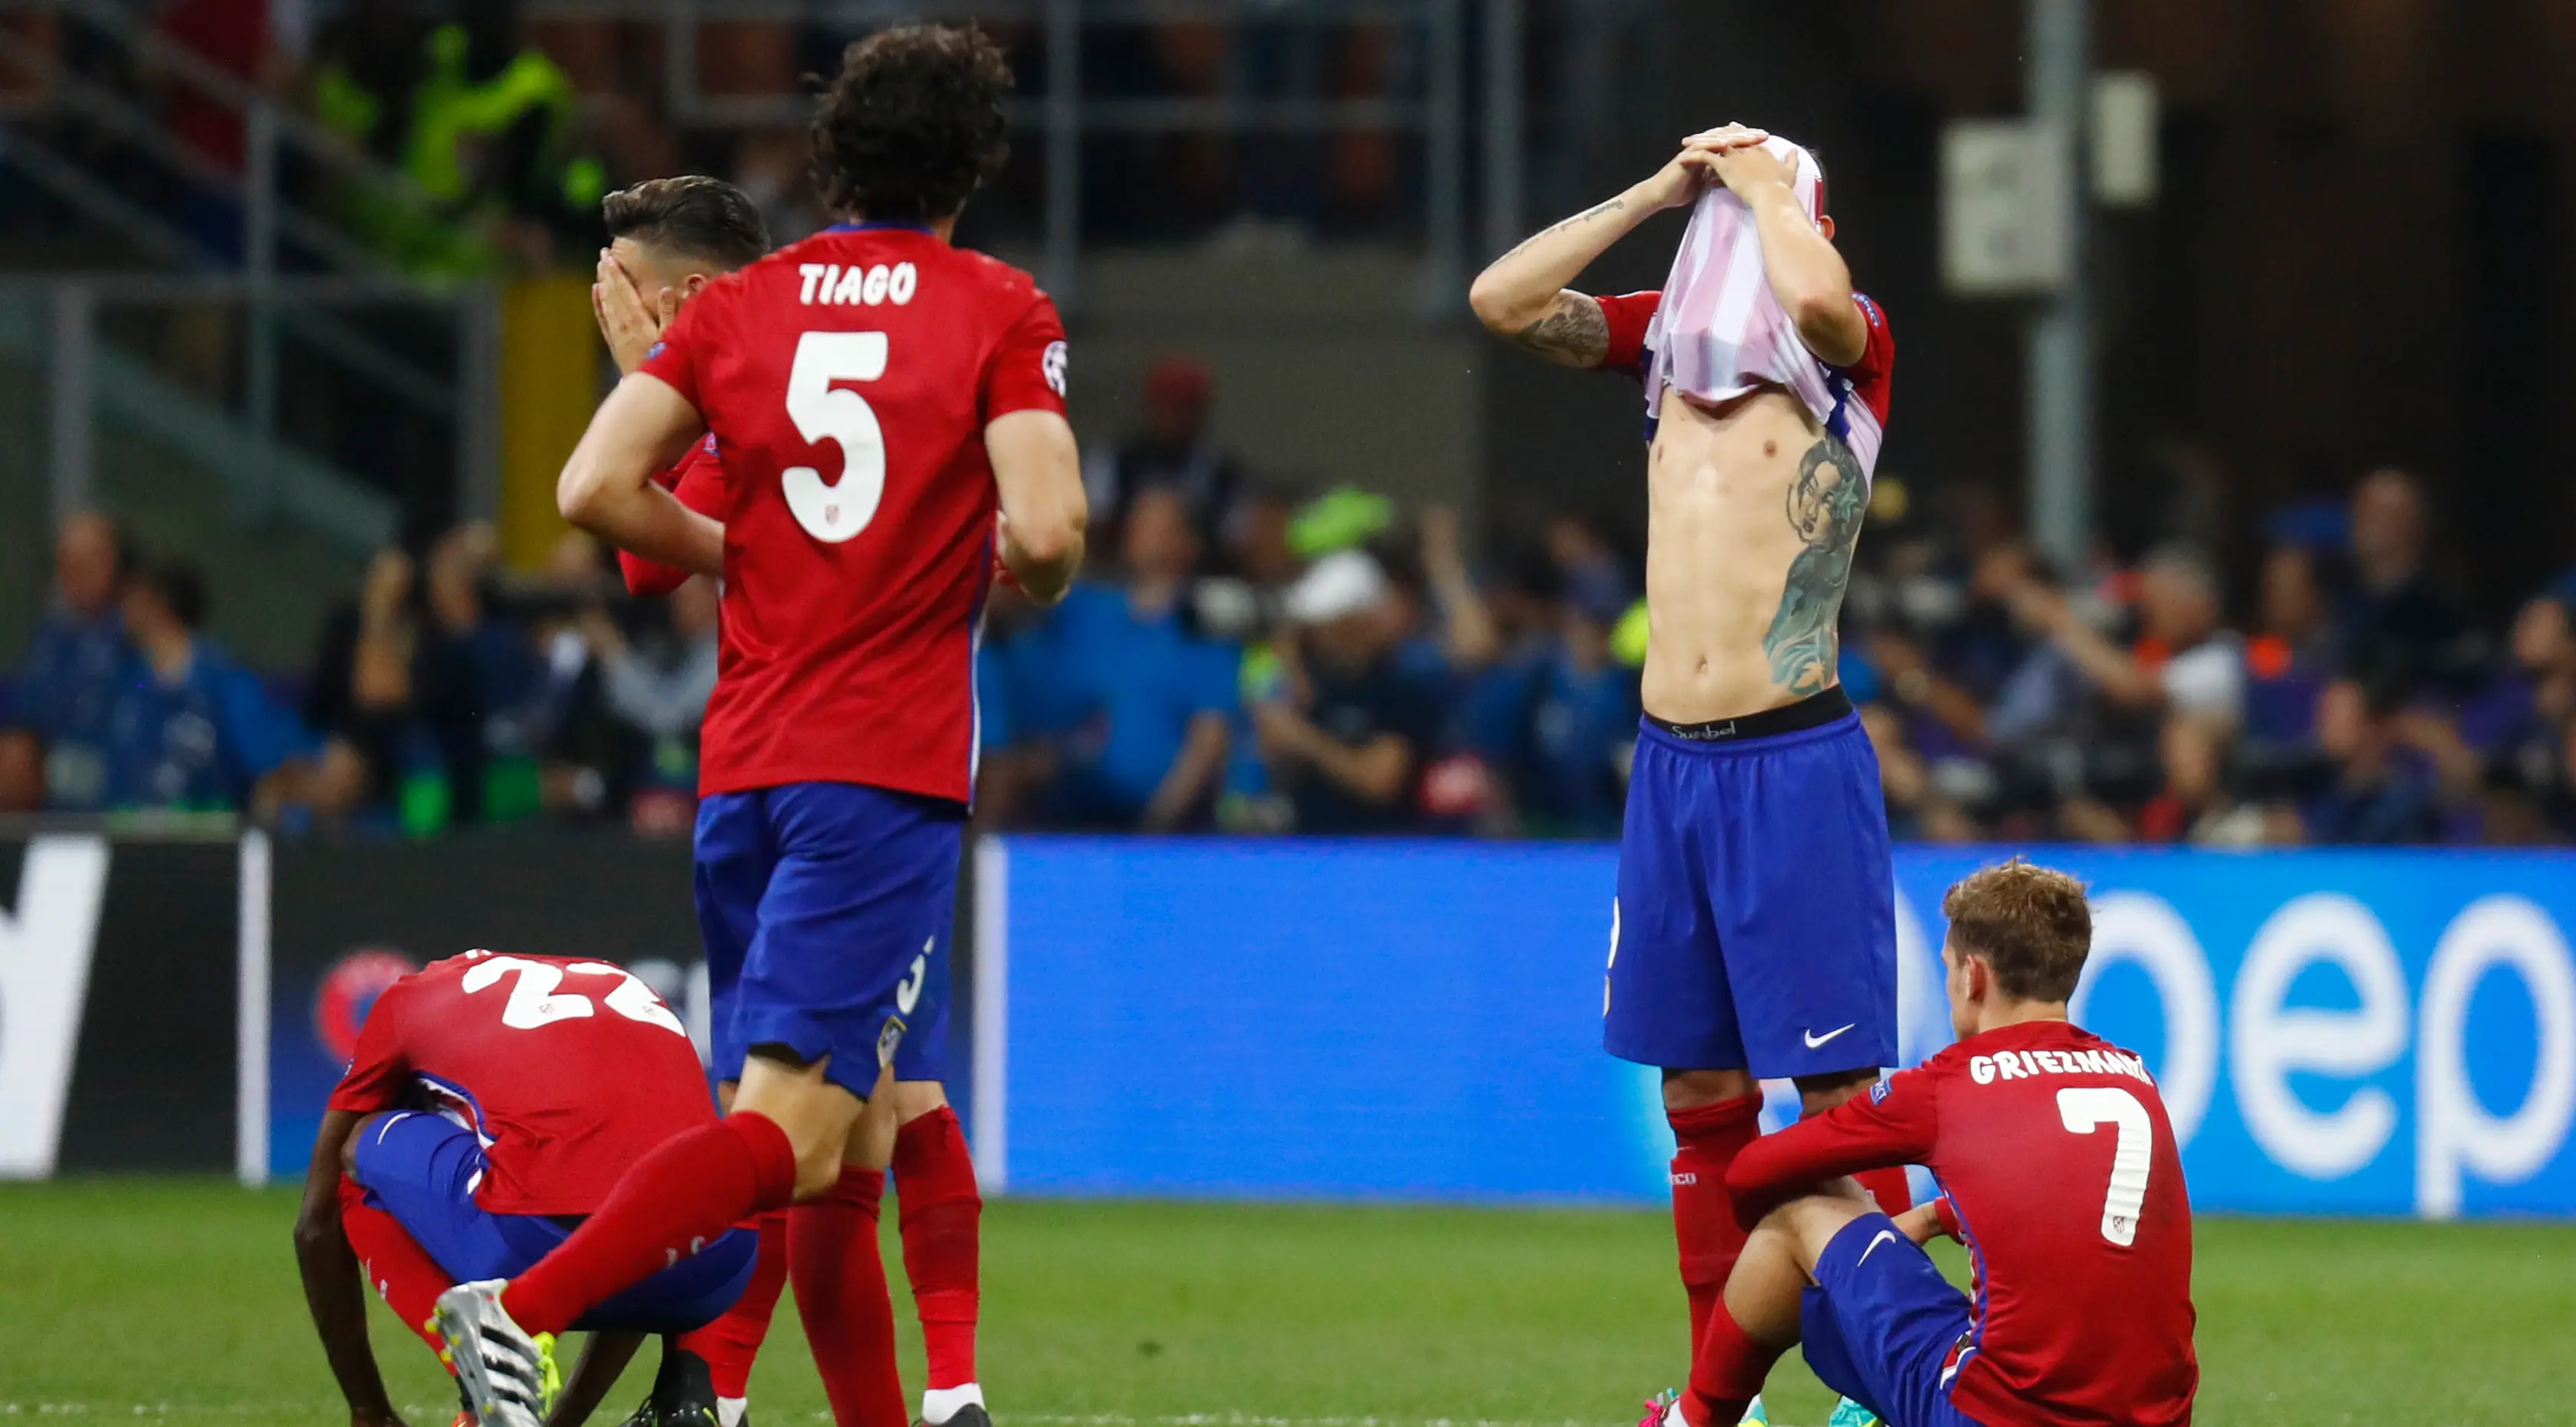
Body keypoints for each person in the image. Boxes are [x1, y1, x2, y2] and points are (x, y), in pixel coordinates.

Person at [439, 26, 1087, 1427]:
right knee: (791, 1131)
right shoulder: (997, 307)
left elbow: (593, 490)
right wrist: (1007, 567)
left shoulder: (742, 310)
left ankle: (812, 1406)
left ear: (830, 155)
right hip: (881, 771)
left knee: (833, 1143)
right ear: (971, 164)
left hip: (745, 770)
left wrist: (765, 560)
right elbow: (1043, 531)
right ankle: (518, 1309)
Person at [1468, 123, 1904, 1427]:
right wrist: (1661, 190)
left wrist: (1768, 176)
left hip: (1791, 757)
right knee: (1698, 1092)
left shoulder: (1852, 342)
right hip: (1671, 769)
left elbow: (1815, 295)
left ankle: (1878, 1386)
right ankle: (1727, 1398)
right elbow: (1502, 298)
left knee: (1831, 1105)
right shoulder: (1663, 335)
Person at [591, 171, 1004, 1427]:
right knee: (834, 1111)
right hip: (813, 773)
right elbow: (635, 553)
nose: (600, 311)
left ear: (682, 295)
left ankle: (903, 1386)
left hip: (860, 774)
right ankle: (862, 1389)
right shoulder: (786, 379)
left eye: (612, 290)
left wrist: (654, 376)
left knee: (854, 1103)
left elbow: (630, 540)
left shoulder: (790, 375)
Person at [1689, 859, 2196, 1427]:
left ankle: (1697, 1419)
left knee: (1800, 1214)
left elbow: (1753, 1171)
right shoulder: (2133, 1077)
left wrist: (1843, 1212)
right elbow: (2076, 1200)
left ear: (1973, 977)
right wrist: (1932, 1217)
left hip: (1992, 1416)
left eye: (1948, 968)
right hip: (2155, 1418)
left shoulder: (1949, 1085)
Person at [292, 951, 755, 1427]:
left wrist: (369, 1409)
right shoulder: (622, 983)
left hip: (542, 1238)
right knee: (652, 1187)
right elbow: (633, 1234)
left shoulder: (405, 999)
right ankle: (691, 1387)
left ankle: (486, 1363)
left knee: (351, 1161)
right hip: (720, 1268)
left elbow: (315, 1224)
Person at [1034, 486, 1241, 830]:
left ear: (1187, 543)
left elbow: (1208, 741)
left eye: (1155, 525)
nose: (1138, 532)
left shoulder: (1203, 630)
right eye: (1136, 521)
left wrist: (1153, 828)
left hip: (1160, 833)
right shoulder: (1084, 611)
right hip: (1065, 822)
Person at [1254, 549, 1447, 834]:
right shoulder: (1316, 685)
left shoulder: (1398, 689)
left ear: (1359, 619)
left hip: (1377, 852)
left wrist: (1302, 738)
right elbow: (1278, 765)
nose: (1321, 633)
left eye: (1332, 623)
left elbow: (1380, 782)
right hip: (1310, 850)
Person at [2, 511, 133, 811]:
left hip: (116, 801)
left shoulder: (136, 640)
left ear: (113, 564)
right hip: (46, 805)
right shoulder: (50, 643)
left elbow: (143, 702)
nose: (74, 574)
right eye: (66, 563)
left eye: (87, 562)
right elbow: (27, 713)